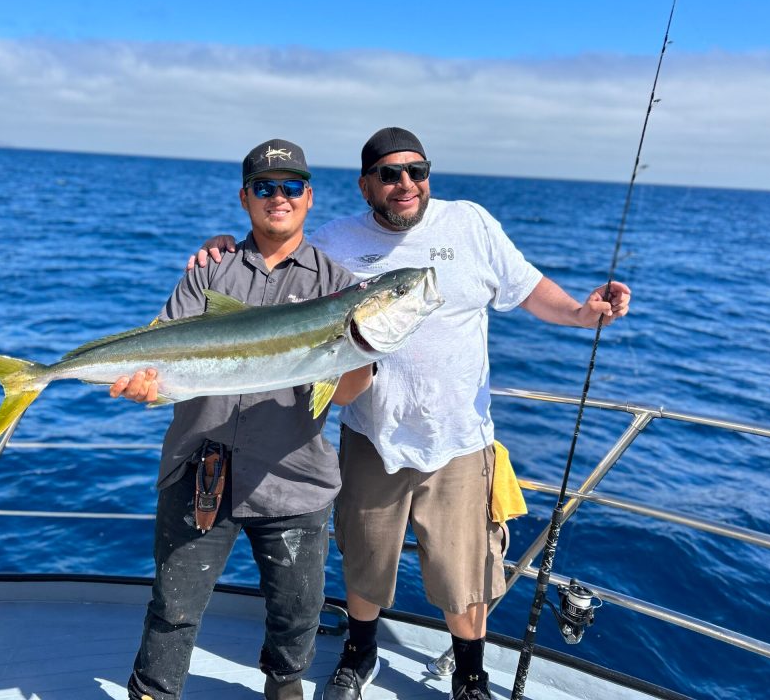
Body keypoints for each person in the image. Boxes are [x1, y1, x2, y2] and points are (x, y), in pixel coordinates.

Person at [188, 127, 631, 700]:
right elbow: (276, 257)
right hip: (371, 434)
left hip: (460, 439)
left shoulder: (470, 223)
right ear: (365, 185)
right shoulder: (334, 241)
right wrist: (227, 245)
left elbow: (524, 288)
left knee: (463, 571)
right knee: (366, 558)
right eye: (390, 174)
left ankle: (470, 672)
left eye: (416, 171)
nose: (405, 184)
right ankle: (359, 651)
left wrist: (580, 311)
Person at [110, 138, 373, 700]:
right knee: (172, 608)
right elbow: (159, 349)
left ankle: (284, 690)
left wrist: (358, 347)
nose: (278, 197)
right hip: (199, 469)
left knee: (296, 614)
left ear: (309, 197)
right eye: (264, 187)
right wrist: (144, 385)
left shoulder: (338, 287)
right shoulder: (210, 271)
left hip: (294, 478)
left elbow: (348, 391)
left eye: (291, 186)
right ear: (245, 197)